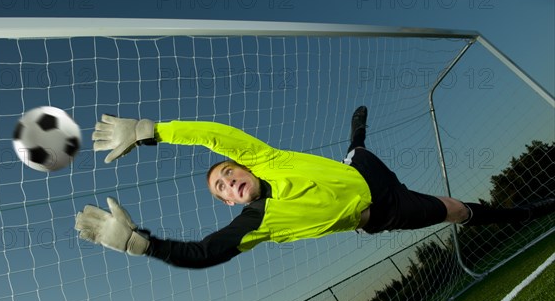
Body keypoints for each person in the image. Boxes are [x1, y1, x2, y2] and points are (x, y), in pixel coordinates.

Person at [75, 107, 555, 268]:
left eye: (227, 172)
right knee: (454, 209)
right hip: (385, 212)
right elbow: (205, 254)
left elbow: (212, 135)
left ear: (240, 166)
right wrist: (142, 245)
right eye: (222, 187)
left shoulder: (263, 158)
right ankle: (534, 212)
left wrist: (151, 130)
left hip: (364, 170)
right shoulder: (255, 223)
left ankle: (356, 140)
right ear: (226, 201)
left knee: (355, 153)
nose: (229, 181)